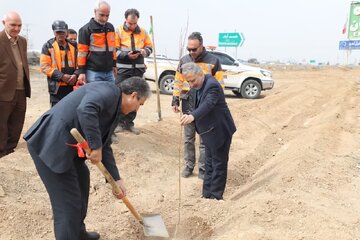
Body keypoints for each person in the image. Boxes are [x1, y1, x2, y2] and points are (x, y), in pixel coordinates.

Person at [23, 77, 151, 240]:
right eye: (140, 104)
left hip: (66, 148)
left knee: (82, 184)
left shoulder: (113, 106)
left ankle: (78, 233)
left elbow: (105, 144)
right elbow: (86, 109)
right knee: (67, 205)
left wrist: (116, 179)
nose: (137, 110)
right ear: (133, 95)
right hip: (50, 145)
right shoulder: (108, 92)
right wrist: (95, 146)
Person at [179, 62, 236, 200]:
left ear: (200, 74)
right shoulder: (197, 85)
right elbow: (196, 103)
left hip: (220, 130)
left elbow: (208, 104)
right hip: (208, 131)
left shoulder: (212, 85)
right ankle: (206, 195)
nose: (191, 84)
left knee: (219, 164)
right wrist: (188, 113)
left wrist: (193, 116)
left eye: (192, 80)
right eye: (188, 81)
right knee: (209, 163)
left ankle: (216, 197)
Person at [172, 32, 224, 179]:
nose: (191, 52)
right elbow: (178, 81)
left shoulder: (214, 61)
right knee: (188, 138)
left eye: (194, 49)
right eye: (188, 49)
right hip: (187, 102)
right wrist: (175, 99)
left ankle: (203, 169)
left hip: (204, 105)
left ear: (201, 46)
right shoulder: (183, 61)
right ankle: (189, 166)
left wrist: (215, 105)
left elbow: (219, 85)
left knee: (204, 139)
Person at [114, 8, 153, 135]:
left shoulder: (143, 32)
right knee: (120, 97)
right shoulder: (118, 31)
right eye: (130, 23)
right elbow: (114, 50)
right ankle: (118, 123)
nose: (132, 26)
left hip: (138, 70)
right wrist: (126, 55)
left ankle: (129, 123)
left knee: (137, 97)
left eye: (134, 23)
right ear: (126, 19)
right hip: (123, 71)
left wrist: (144, 52)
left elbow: (149, 47)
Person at [0, 11, 31, 158]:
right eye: (13, 25)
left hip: (21, 90)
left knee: (17, 124)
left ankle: (10, 150)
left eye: (19, 25)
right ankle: (1, 152)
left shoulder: (22, 41)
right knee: (2, 124)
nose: (17, 29)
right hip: (3, 91)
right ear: (4, 23)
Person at [40, 20, 79, 107]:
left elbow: (81, 63)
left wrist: (76, 75)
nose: (60, 34)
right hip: (57, 89)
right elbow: (44, 67)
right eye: (58, 32)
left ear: (66, 32)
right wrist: (62, 76)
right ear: (54, 32)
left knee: (72, 112)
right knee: (57, 114)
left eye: (63, 32)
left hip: (73, 86)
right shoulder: (48, 46)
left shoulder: (75, 46)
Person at [77, 0, 117, 84]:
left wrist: (114, 65)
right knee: (96, 96)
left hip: (109, 72)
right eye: (102, 15)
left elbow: (113, 49)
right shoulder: (85, 30)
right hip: (93, 73)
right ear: (95, 12)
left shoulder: (110, 27)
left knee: (111, 96)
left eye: (107, 15)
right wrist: (81, 72)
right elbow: (82, 53)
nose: (104, 18)